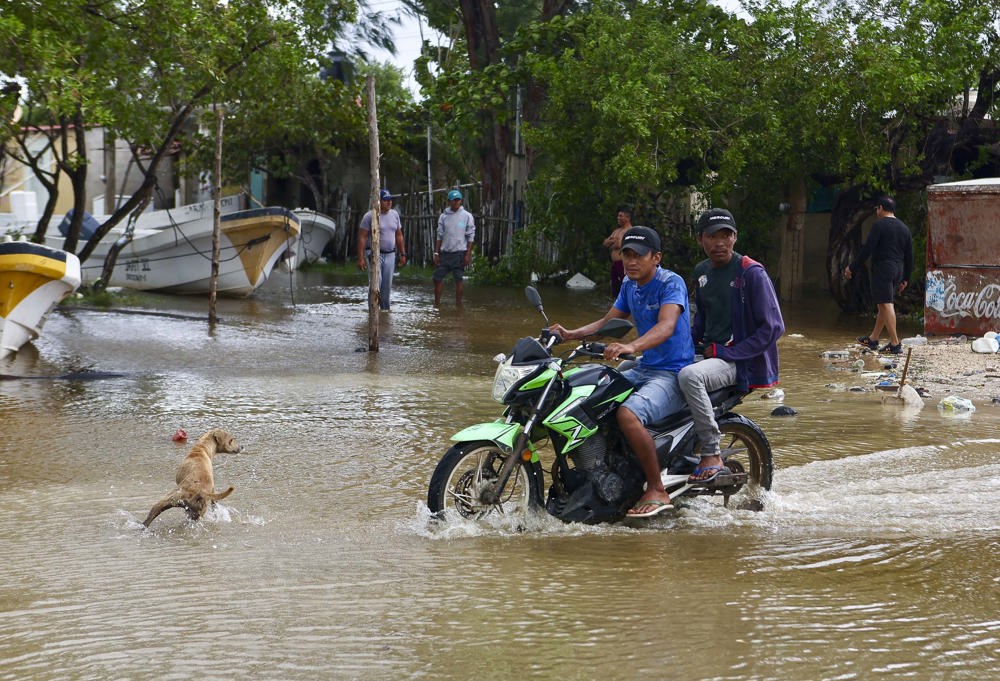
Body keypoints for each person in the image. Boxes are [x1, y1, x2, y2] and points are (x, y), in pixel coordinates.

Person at [549, 226, 694, 518]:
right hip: (644, 367)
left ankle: (656, 488)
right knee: (586, 397)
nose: (631, 261)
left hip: (671, 372)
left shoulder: (671, 283)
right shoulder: (630, 285)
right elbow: (607, 322)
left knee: (627, 414)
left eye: (638, 256)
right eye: (626, 255)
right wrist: (569, 334)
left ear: (656, 257)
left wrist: (632, 346)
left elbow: (666, 326)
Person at [678, 208, 784, 485]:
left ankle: (711, 451)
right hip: (711, 353)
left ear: (735, 238)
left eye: (727, 235)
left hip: (739, 361)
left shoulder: (751, 273)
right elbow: (700, 319)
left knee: (690, 376)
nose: (720, 243)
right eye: (713, 236)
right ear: (700, 239)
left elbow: (773, 327)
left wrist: (728, 352)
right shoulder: (702, 272)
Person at [843, 196, 913, 355]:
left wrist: (852, 267)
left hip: (883, 268)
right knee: (883, 303)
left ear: (881, 208)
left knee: (886, 303)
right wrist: (906, 277)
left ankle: (895, 343)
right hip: (898, 269)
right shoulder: (904, 228)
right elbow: (910, 256)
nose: (876, 211)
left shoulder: (879, 225)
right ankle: (873, 339)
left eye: (877, 209)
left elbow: (868, 249)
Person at [357, 188, 407, 311]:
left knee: (386, 287)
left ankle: (385, 312)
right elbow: (362, 237)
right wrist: (361, 258)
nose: (389, 202)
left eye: (390, 200)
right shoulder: (370, 216)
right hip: (374, 254)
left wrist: (403, 254)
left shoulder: (394, 215)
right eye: (385, 200)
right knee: (375, 284)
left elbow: (399, 235)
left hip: (390, 254)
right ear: (378, 201)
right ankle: (373, 311)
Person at [433, 189, 476, 307]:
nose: (456, 202)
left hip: (459, 253)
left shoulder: (467, 216)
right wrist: (436, 253)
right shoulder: (443, 216)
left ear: (461, 201)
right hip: (445, 253)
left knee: (458, 279)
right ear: (449, 202)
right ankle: (437, 304)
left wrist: (468, 254)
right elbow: (439, 235)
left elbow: (471, 235)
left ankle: (459, 305)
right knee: (437, 278)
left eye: (458, 200)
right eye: (454, 200)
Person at [602, 208, 633, 298]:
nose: (618, 218)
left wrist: (613, 242)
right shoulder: (617, 231)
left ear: (627, 218)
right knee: (614, 285)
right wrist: (614, 242)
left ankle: (628, 305)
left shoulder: (630, 230)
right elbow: (605, 243)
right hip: (614, 263)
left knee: (625, 283)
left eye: (620, 216)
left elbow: (621, 244)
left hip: (623, 262)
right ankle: (616, 305)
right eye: (618, 216)